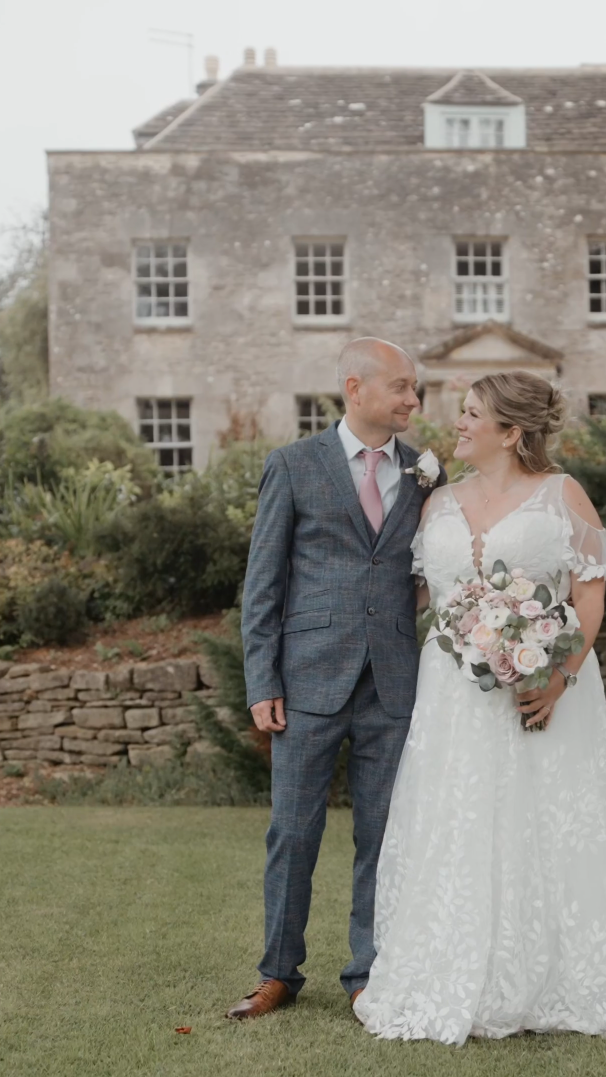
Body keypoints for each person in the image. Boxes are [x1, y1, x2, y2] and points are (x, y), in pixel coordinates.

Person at [352, 370, 606, 1044]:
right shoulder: (437, 502)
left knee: (547, 820)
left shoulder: (561, 495)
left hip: (544, 687)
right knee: (458, 820)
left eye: (471, 413)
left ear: (511, 432)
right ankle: (457, 967)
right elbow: (422, 596)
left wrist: (560, 671)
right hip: (452, 692)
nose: (456, 423)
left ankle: (562, 972)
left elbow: (590, 591)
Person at [228, 337, 443, 1020]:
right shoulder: (292, 465)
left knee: (383, 834)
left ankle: (366, 973)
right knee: (293, 830)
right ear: (356, 388)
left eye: (417, 390)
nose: (413, 400)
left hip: (393, 680)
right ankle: (278, 972)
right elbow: (262, 584)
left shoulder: (423, 474)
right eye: (402, 388)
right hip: (307, 680)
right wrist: (262, 681)